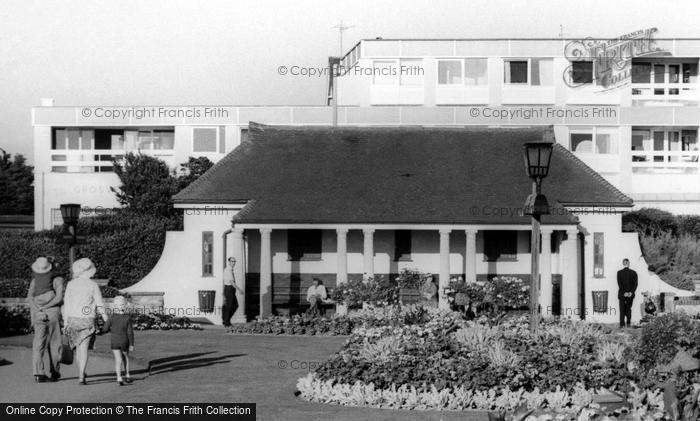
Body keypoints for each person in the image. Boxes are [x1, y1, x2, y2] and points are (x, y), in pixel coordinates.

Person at [62, 258, 107, 385]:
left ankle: (80, 373)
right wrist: (107, 320)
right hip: (87, 320)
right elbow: (100, 304)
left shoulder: (71, 284)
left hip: (73, 320)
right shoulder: (93, 285)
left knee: (77, 348)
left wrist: (65, 322)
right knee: (84, 349)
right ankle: (82, 375)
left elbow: (67, 304)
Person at [27, 257, 64, 383]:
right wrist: (47, 306)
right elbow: (58, 298)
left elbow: (30, 298)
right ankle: (54, 371)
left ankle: (38, 373)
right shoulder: (58, 280)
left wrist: (38, 310)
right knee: (55, 343)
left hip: (38, 315)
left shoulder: (34, 281)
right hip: (52, 314)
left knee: (38, 344)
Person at [102, 295, 134, 386]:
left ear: (115, 306)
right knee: (126, 358)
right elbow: (130, 332)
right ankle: (127, 375)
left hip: (115, 341)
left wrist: (104, 326)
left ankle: (119, 377)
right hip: (124, 340)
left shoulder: (112, 317)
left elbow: (105, 329)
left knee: (118, 359)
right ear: (124, 305)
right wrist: (132, 344)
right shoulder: (127, 318)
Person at [222, 257, 243, 327]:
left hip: (229, 289)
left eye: (234, 261)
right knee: (230, 306)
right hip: (229, 289)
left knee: (234, 305)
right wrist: (239, 290)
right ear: (229, 262)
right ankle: (226, 322)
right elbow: (231, 282)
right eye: (232, 261)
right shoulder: (228, 270)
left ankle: (226, 320)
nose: (233, 263)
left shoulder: (230, 270)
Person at [617, 258, 638, 328]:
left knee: (622, 309)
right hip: (630, 295)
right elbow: (635, 284)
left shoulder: (619, 273)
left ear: (623, 263)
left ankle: (622, 324)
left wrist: (624, 292)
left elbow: (619, 284)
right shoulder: (634, 273)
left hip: (622, 294)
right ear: (628, 263)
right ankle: (628, 323)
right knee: (628, 309)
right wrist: (631, 292)